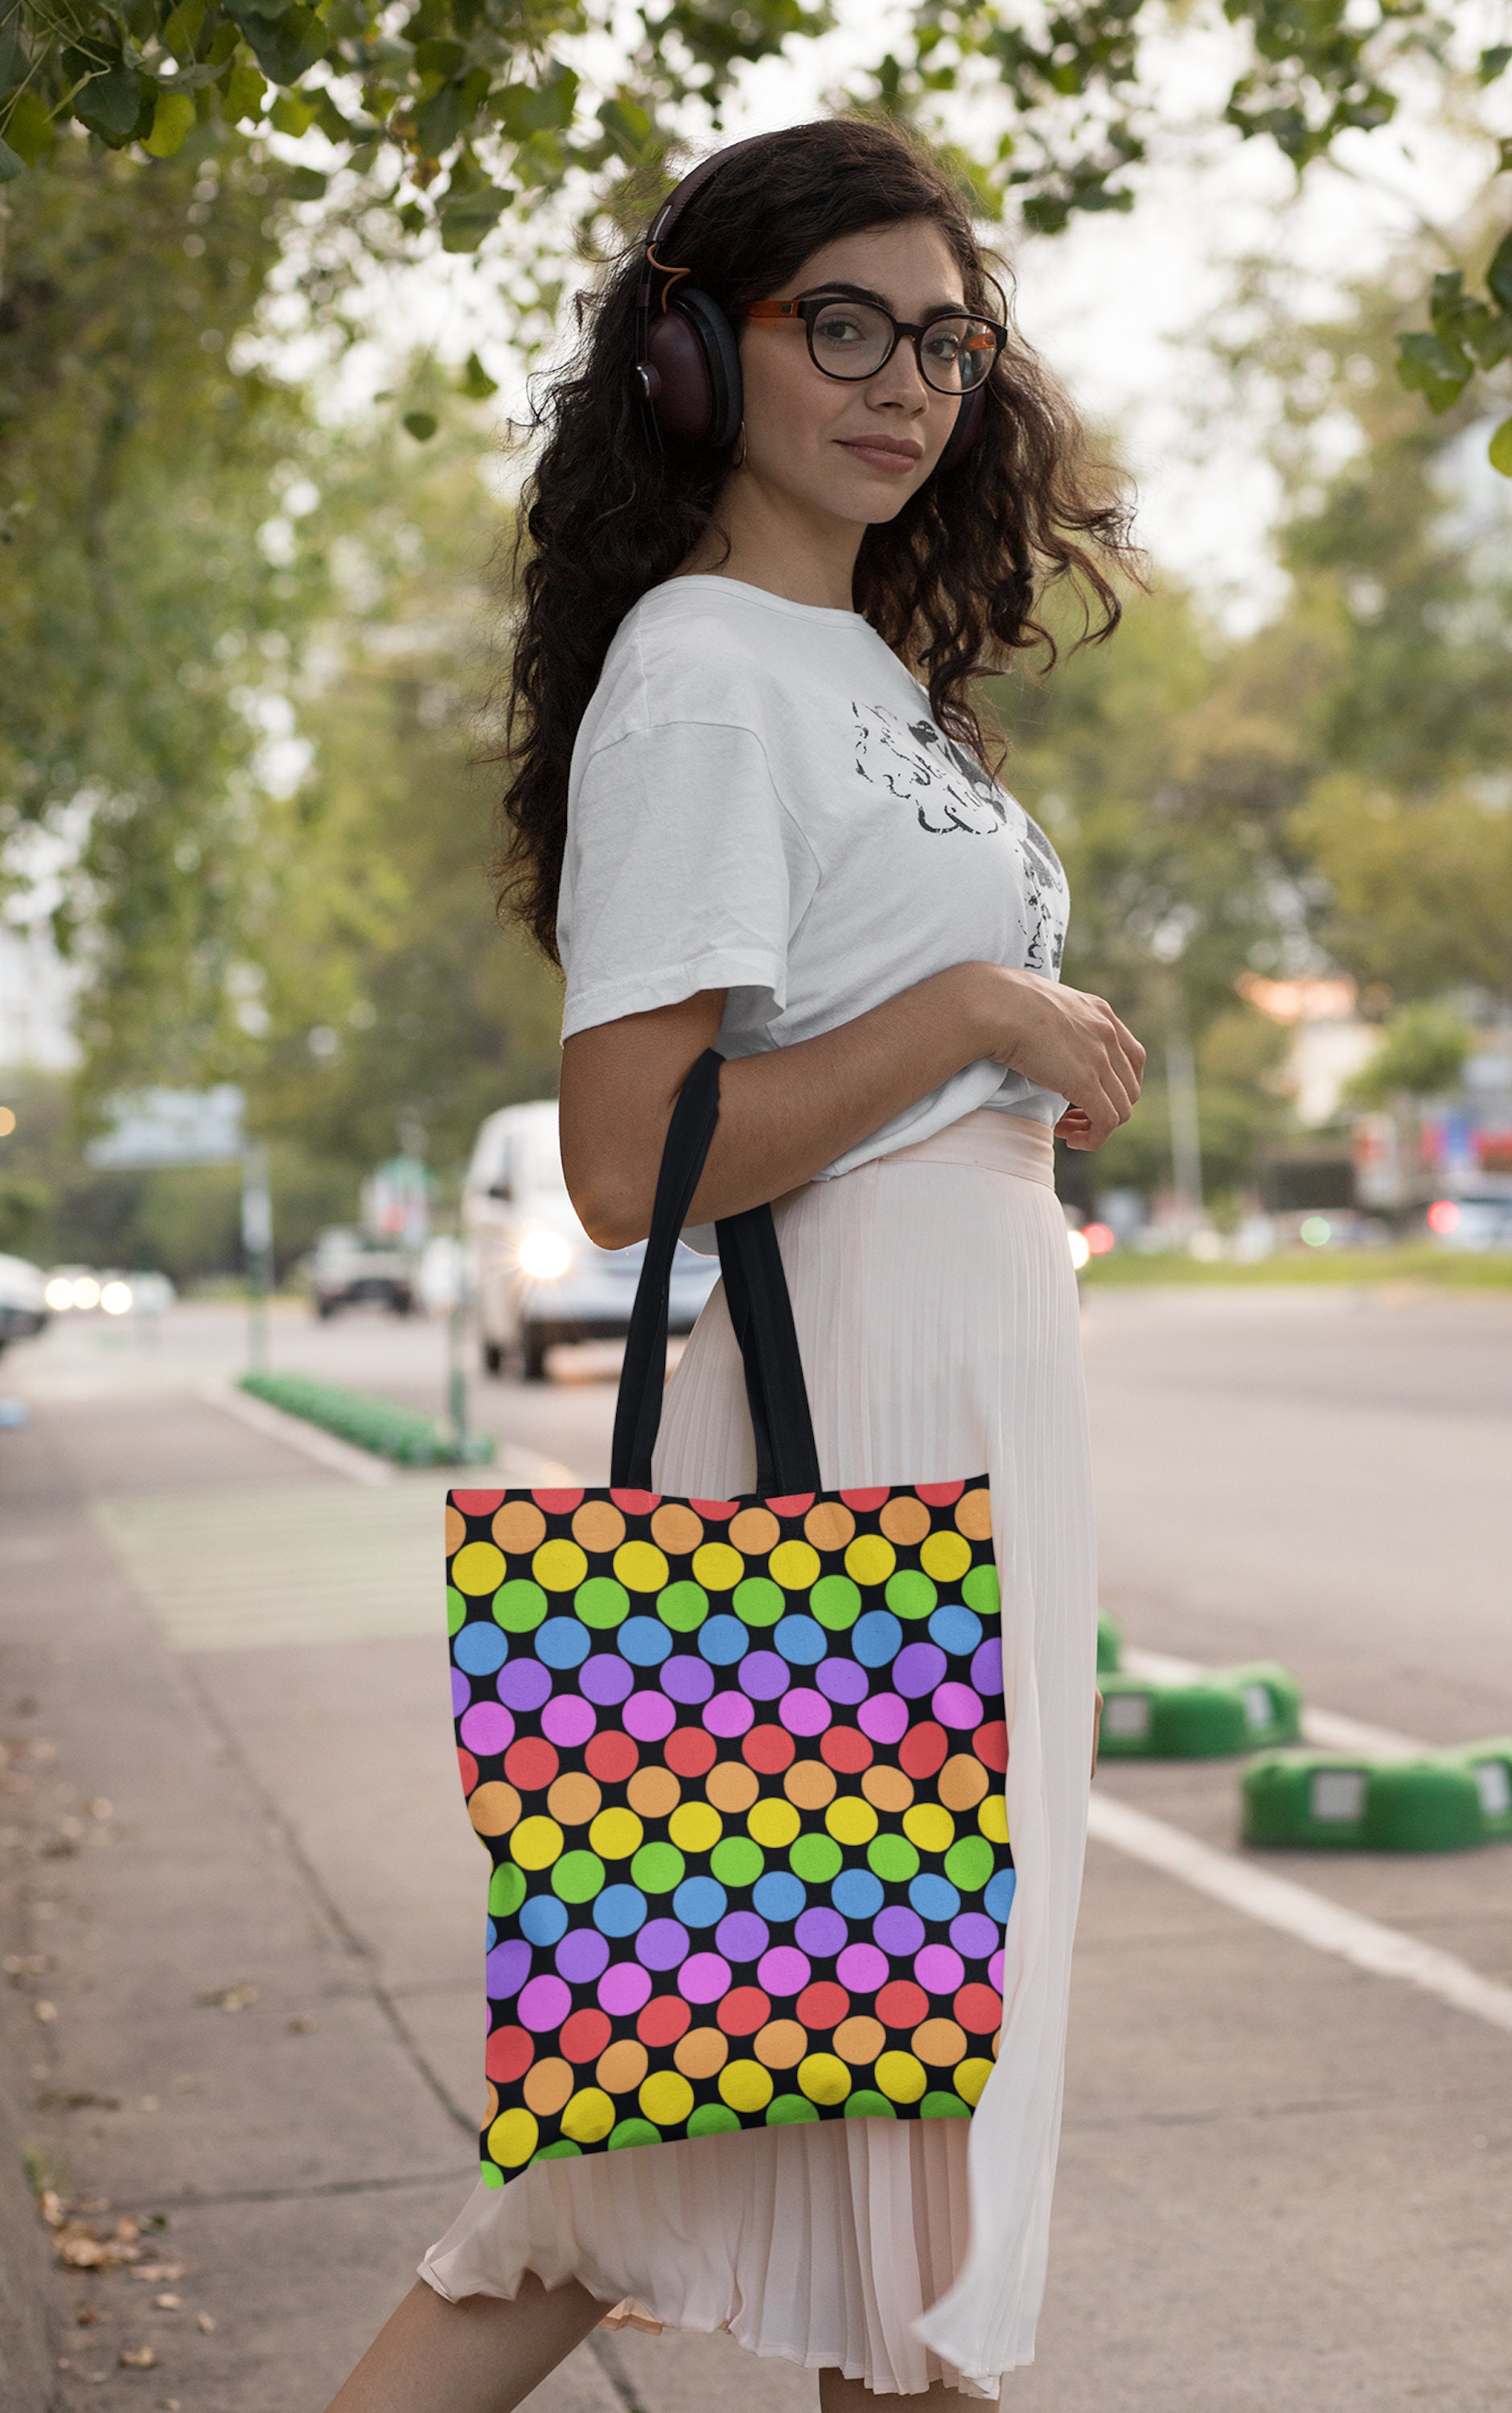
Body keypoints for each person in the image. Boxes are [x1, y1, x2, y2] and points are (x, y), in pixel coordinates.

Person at [327, 112, 1141, 2413]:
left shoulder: (858, 666)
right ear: (698, 357)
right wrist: (978, 1020)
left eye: (947, 341)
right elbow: (625, 1155)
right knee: (848, 2113)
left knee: (817, 2130)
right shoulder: (701, 664)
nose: (905, 385)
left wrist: (1008, 1072)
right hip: (848, 1431)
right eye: (843, 328)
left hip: (963, 1401)